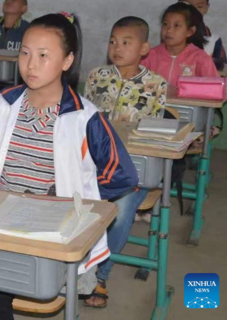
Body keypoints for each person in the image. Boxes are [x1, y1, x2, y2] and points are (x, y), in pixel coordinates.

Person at [0, 13, 138, 319]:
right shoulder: (4, 104)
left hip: (50, 227)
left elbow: (122, 175)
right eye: (25, 53)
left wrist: (78, 196)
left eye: (43, 55)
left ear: (67, 61)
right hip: (0, 217)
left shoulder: (84, 117)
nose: (30, 64)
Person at [84, 16, 167, 308]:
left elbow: (153, 133)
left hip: (135, 169)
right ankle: (74, 267)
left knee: (118, 212)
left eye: (126, 42)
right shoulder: (96, 76)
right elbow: (84, 122)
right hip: (95, 164)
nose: (117, 48)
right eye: (112, 41)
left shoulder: (155, 84)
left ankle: (100, 276)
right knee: (72, 202)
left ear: (144, 48)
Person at [141, 2, 218, 88]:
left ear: (190, 31)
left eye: (176, 25)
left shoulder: (200, 58)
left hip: (189, 101)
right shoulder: (149, 56)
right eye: (165, 24)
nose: (169, 30)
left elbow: (216, 89)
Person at [179, 0, 227, 67]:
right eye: (188, 6)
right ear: (178, 6)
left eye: (199, 6)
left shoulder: (213, 41)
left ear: (206, 8)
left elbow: (221, 70)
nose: (193, 11)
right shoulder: (171, 34)